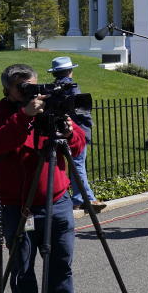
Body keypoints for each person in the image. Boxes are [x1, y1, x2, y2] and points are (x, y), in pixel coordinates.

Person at [0, 64, 85, 293]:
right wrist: (24, 116)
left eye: (33, 85)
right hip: (18, 206)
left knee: (61, 263)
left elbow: (79, 145)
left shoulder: (50, 108)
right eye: (22, 87)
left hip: (57, 200)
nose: (30, 92)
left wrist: (70, 132)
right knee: (22, 268)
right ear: (7, 89)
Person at [48, 56, 106, 213]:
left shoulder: (52, 89)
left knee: (70, 165)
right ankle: (88, 198)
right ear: (69, 71)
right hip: (75, 133)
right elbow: (82, 111)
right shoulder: (72, 87)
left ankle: (80, 198)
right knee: (78, 164)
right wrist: (87, 128)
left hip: (59, 130)